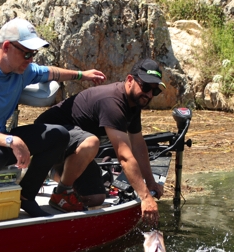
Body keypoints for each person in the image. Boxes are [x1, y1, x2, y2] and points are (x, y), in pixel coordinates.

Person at [0, 17, 106, 229]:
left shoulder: (22, 71)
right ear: (7, 47)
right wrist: (10, 140)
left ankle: (26, 197)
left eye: (33, 54)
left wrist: (83, 75)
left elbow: (51, 72)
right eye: (27, 53)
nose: (30, 59)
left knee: (59, 135)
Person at [35, 59, 165, 225]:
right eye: (146, 87)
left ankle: (51, 172)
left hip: (73, 147)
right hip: (48, 137)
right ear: (130, 80)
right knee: (91, 143)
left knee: (95, 197)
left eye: (155, 91)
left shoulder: (134, 103)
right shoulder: (113, 103)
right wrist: (145, 197)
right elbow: (124, 157)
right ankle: (61, 191)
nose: (149, 95)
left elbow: (138, 145)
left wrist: (151, 182)